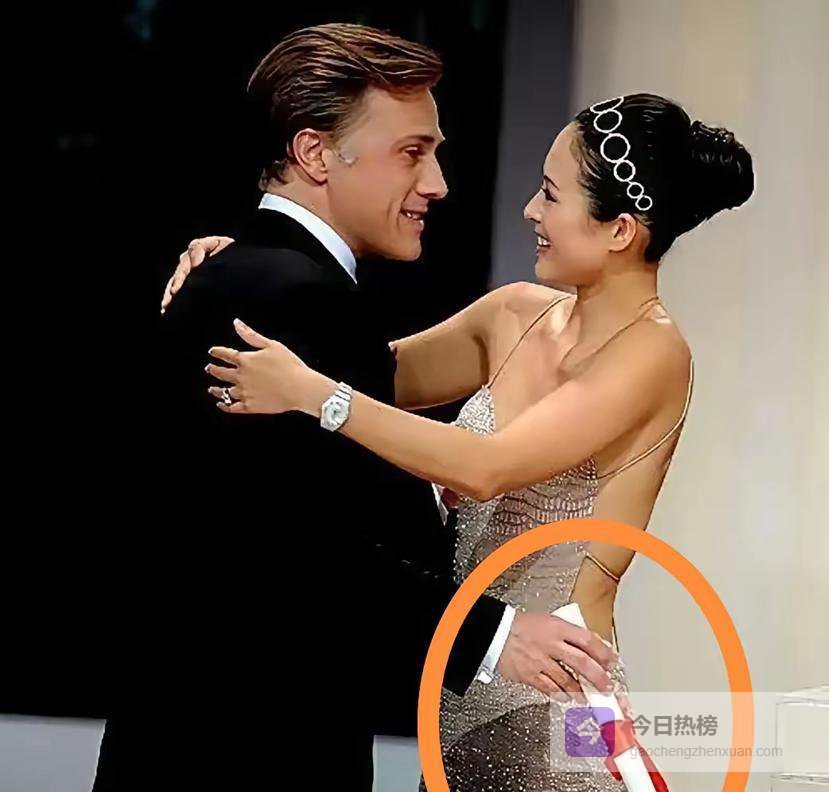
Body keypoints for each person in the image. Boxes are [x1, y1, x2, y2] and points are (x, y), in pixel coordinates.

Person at [169, 92, 754, 789]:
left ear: (620, 230)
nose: (531, 211)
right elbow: (362, 368)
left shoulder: (654, 353)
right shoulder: (513, 314)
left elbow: (485, 467)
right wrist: (244, 274)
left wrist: (314, 394)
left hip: (558, 698)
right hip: (460, 691)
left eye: (551, 195)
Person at [148, 23, 620, 792]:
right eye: (411, 152)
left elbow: (277, 503)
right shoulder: (294, 296)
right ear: (315, 154)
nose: (438, 184)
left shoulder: (242, 278)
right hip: (254, 748)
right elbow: (294, 551)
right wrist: (494, 636)